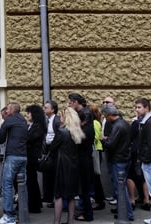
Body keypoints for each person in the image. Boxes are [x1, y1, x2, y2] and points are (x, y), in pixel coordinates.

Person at [49, 107, 86, 224]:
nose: (60, 118)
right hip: (74, 166)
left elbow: (52, 147)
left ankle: (57, 221)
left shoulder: (62, 131)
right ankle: (70, 221)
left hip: (62, 166)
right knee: (71, 195)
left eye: (61, 115)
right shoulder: (77, 132)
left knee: (58, 195)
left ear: (66, 117)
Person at [0, 102, 28, 224]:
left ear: (13, 110)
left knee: (7, 184)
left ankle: (9, 216)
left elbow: (0, 139)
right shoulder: (24, 120)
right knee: (22, 186)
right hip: (23, 156)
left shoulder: (9, 120)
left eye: (8, 109)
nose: (6, 111)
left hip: (12, 156)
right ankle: (23, 214)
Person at [101, 106, 134, 222]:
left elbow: (111, 144)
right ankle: (124, 212)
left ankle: (127, 213)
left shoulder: (118, 126)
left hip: (118, 159)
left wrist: (104, 140)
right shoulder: (124, 123)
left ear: (109, 115)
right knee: (121, 187)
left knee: (120, 188)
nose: (105, 118)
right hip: (124, 158)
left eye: (105, 116)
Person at [68, 93, 95, 222]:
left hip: (83, 157)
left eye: (70, 102)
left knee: (84, 188)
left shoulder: (84, 116)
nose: (69, 104)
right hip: (85, 157)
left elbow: (81, 139)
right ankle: (84, 211)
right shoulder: (86, 116)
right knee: (84, 188)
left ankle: (87, 214)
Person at [25, 104, 46, 213]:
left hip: (32, 157)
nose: (27, 115)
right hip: (30, 156)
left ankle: (34, 205)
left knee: (31, 181)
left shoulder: (38, 126)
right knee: (31, 181)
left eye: (28, 113)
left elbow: (30, 138)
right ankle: (35, 203)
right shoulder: (33, 125)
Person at [42, 100, 60, 207]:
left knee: (55, 174)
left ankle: (55, 198)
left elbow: (58, 136)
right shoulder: (47, 120)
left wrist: (52, 148)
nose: (44, 109)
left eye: (46, 107)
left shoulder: (56, 120)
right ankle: (49, 196)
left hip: (55, 150)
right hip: (48, 149)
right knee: (48, 173)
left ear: (53, 110)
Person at [89, 104, 106, 211]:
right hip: (97, 150)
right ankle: (99, 199)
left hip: (95, 151)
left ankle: (99, 200)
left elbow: (94, 137)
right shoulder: (97, 122)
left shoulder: (94, 123)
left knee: (95, 176)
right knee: (95, 177)